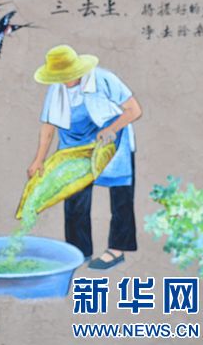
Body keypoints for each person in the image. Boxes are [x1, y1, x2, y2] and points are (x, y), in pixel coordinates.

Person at [27, 45, 142, 269]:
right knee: (74, 199)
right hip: (75, 146)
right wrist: (39, 159)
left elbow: (134, 110)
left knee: (121, 197)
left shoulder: (103, 79)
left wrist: (113, 129)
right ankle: (79, 251)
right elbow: (49, 126)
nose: (65, 80)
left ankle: (116, 250)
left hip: (111, 141)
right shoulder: (56, 90)